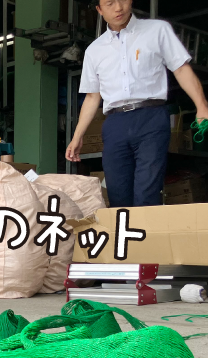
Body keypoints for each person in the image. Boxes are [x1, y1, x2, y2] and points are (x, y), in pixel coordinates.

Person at [65, 0, 208, 207]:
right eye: (109, 3)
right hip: (115, 124)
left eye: (122, 0)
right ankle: (125, 229)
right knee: (117, 194)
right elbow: (92, 97)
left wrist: (202, 106)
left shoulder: (157, 30)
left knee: (147, 193)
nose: (118, 8)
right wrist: (77, 137)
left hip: (151, 118)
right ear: (99, 10)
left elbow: (180, 69)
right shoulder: (94, 50)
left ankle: (147, 228)